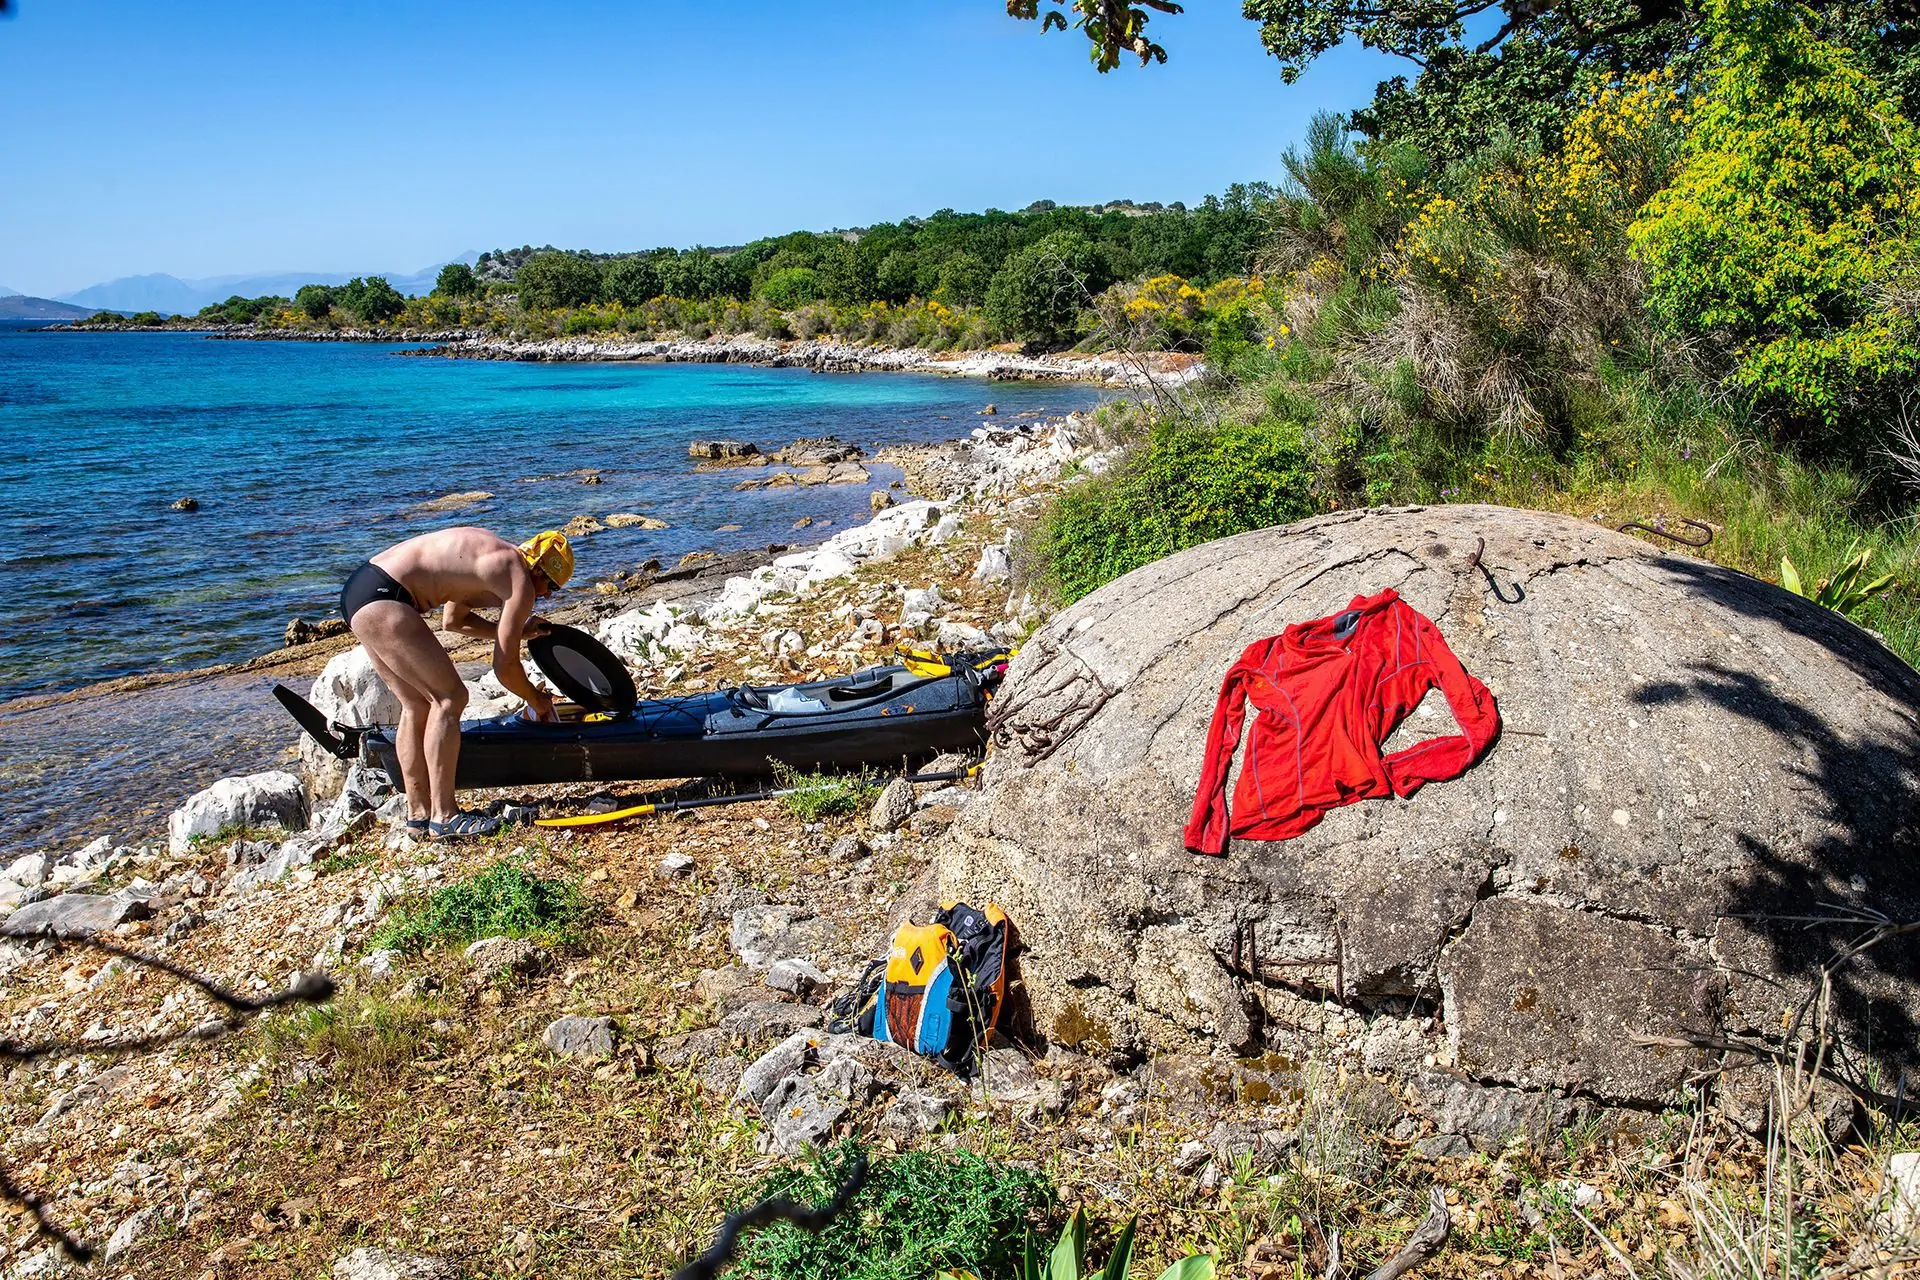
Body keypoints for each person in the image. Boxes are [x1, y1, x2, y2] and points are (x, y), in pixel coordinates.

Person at [339, 527, 574, 838]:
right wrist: (536, 699)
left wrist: (518, 631)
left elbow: (455, 621)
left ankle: (419, 816)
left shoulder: (491, 558)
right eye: (552, 587)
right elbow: (505, 667)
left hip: (361, 591)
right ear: (539, 569)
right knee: (449, 698)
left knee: (416, 705)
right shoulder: (519, 577)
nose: (545, 596)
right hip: (388, 598)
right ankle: (445, 816)